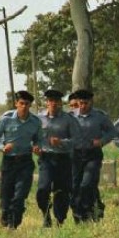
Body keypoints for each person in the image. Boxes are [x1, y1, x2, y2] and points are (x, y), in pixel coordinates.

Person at [0, 90, 43, 229]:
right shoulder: (6, 119)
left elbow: (39, 139)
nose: (24, 106)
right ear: (16, 104)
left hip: (25, 161)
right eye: (21, 103)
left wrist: (37, 147)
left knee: (20, 194)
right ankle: (5, 213)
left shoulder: (35, 122)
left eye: (27, 104)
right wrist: (2, 146)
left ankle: (14, 223)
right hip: (9, 161)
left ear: (30, 105)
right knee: (6, 193)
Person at [36, 89, 81, 227]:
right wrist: (35, 146)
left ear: (61, 103)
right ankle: (45, 214)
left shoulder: (69, 119)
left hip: (63, 159)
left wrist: (62, 142)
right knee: (43, 189)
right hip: (46, 158)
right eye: (50, 101)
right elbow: (33, 136)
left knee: (61, 191)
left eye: (56, 101)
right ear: (46, 102)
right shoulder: (38, 119)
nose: (53, 103)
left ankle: (59, 220)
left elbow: (77, 139)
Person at [70, 89, 116, 223]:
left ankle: (87, 211)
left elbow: (112, 131)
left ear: (91, 102)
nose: (83, 106)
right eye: (80, 103)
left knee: (87, 184)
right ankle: (83, 213)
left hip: (92, 155)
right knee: (76, 186)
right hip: (75, 155)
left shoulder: (100, 116)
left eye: (85, 103)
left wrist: (101, 141)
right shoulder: (70, 116)